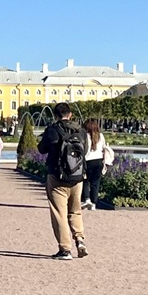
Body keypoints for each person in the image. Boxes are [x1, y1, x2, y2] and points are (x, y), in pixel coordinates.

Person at [37, 103, 88, 260]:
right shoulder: (81, 131)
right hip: (77, 177)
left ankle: (65, 249)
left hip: (57, 177)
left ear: (55, 115)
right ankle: (80, 239)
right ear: (70, 114)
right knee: (75, 210)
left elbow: (41, 149)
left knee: (59, 214)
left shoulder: (52, 130)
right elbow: (85, 151)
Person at [82, 118, 107, 210]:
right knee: (95, 183)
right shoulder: (101, 136)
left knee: (85, 180)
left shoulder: (85, 136)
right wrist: (104, 161)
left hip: (88, 160)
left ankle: (87, 199)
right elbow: (104, 149)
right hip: (98, 161)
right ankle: (94, 203)